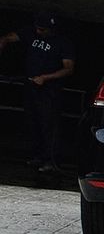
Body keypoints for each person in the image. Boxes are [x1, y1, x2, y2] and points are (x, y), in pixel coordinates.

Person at [2, 12, 76, 172]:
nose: (39, 32)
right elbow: (10, 37)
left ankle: (51, 160)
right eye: (37, 28)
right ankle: (37, 156)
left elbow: (68, 69)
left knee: (49, 124)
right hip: (31, 85)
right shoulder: (31, 33)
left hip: (49, 89)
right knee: (32, 121)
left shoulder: (62, 43)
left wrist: (45, 78)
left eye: (42, 30)